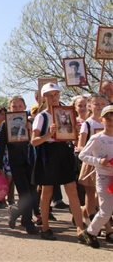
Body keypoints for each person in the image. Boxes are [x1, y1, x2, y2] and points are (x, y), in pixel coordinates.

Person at [31, 82, 85, 241]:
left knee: (72, 189)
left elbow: (73, 139)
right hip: (48, 152)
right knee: (47, 191)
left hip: (64, 152)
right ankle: (46, 227)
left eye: (56, 94)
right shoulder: (42, 117)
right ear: (44, 98)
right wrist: (50, 134)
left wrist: (75, 133)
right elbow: (34, 141)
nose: (54, 98)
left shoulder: (66, 113)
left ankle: (80, 228)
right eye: (49, 95)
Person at [0, 96, 39, 235]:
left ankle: (15, 212)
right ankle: (27, 222)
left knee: (32, 193)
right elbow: (1, 146)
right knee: (24, 192)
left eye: (20, 106)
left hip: (31, 161)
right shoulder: (5, 124)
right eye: (14, 107)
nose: (17, 109)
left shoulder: (31, 121)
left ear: (25, 107)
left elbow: (37, 141)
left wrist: (31, 130)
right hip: (15, 162)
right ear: (10, 108)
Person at [78, 105, 113, 248]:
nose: (111, 122)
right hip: (104, 177)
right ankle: (90, 233)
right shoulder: (97, 137)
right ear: (101, 120)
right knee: (106, 211)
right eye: (108, 119)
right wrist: (98, 161)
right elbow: (82, 155)